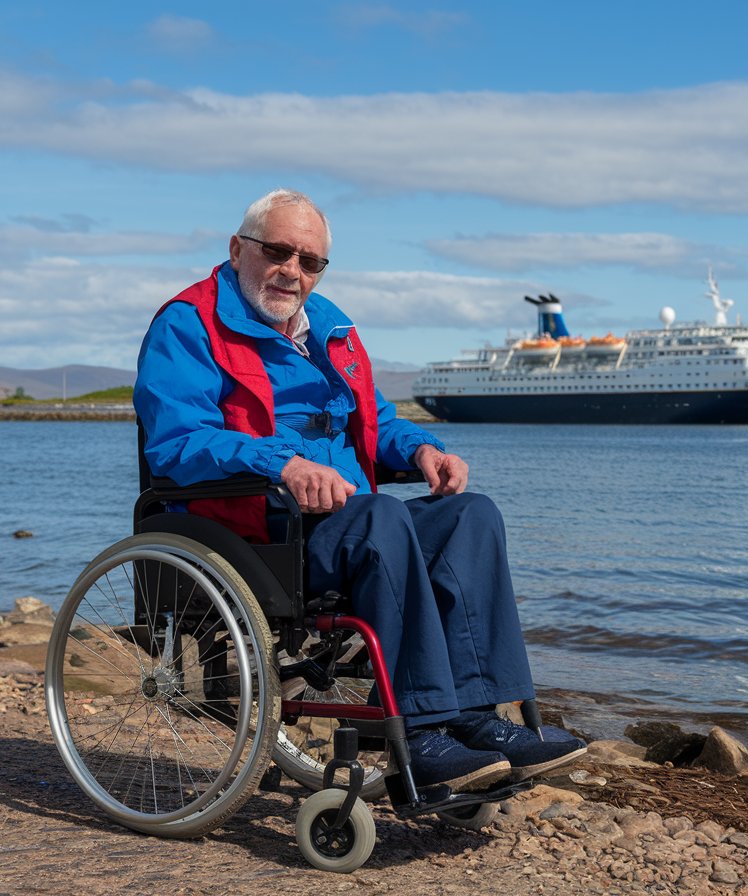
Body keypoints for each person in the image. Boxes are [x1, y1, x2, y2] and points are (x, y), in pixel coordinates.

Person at [134, 188, 585, 793]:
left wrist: (423, 451)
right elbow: (175, 445)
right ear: (238, 248)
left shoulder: (330, 326)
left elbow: (375, 422)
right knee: (382, 521)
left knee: (470, 515)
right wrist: (283, 462)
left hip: (343, 516)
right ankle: (420, 733)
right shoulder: (188, 324)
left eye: (310, 261)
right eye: (278, 251)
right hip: (255, 527)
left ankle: (480, 719)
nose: (292, 271)